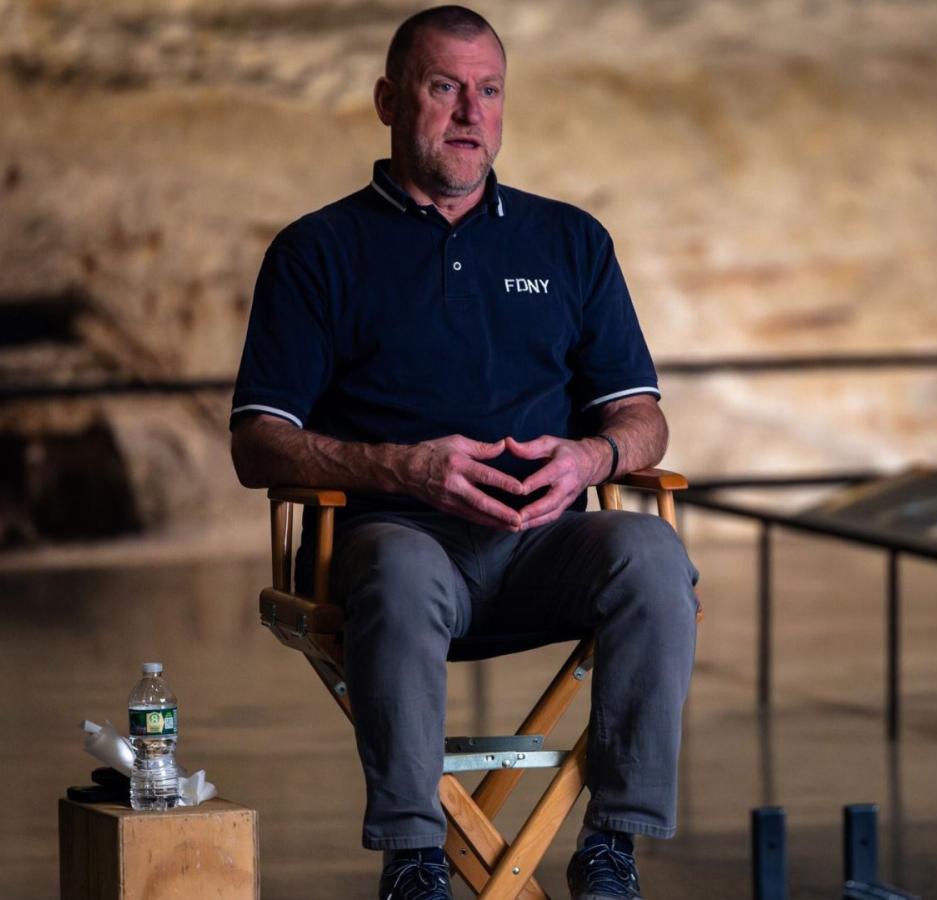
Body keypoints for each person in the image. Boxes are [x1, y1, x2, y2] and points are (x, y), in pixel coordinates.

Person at [228, 7, 697, 899]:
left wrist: (590, 460)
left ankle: (612, 849)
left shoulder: (569, 241)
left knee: (651, 553)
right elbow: (259, 443)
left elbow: (642, 417)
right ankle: (414, 861)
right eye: (445, 88)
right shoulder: (317, 250)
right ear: (388, 100)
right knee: (401, 573)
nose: (470, 114)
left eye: (489, 92)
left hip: (545, 544)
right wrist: (405, 469)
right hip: (397, 541)